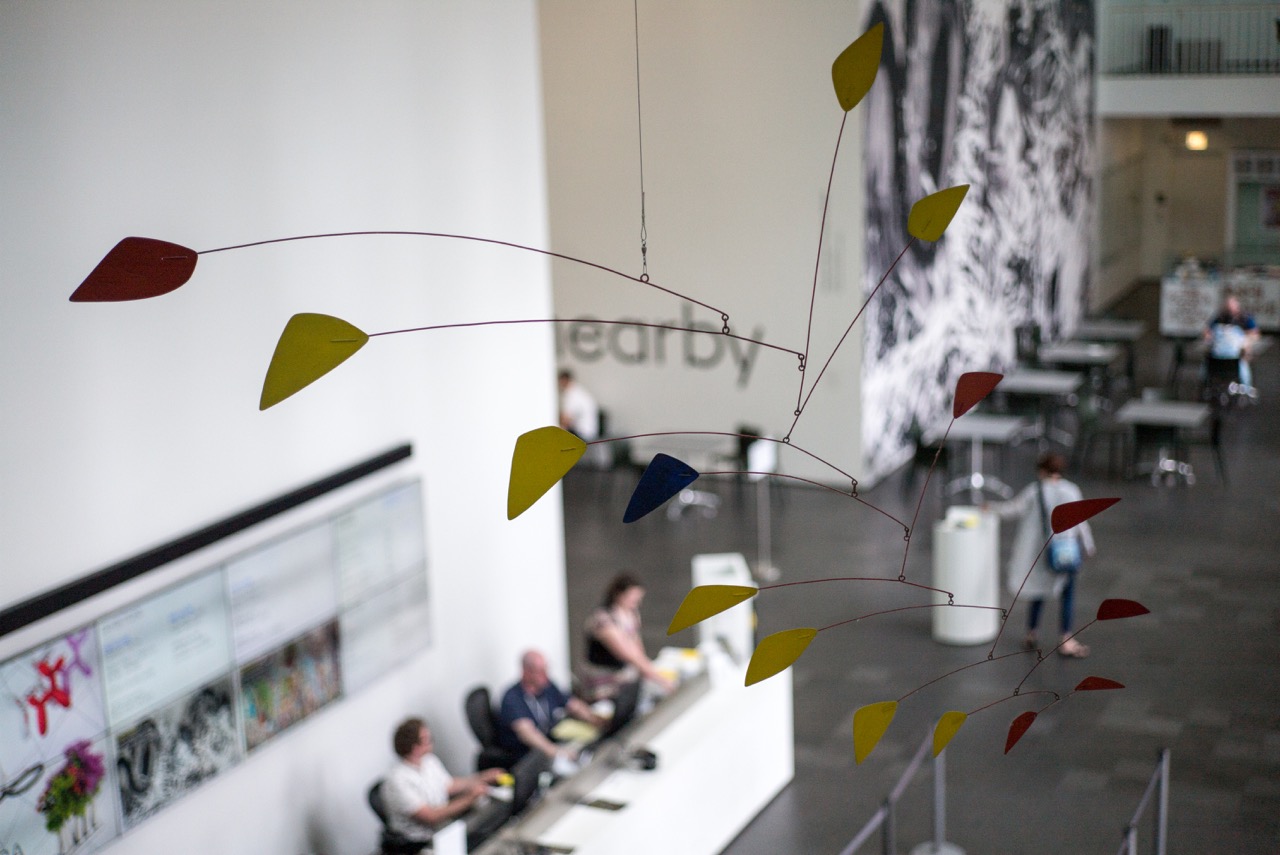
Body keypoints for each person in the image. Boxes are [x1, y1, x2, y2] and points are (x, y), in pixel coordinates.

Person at [985, 452, 1095, 658]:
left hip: (1041, 553)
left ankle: (1031, 633)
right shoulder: (1071, 490)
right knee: (1067, 594)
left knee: (1038, 593)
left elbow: (1012, 510)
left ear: (1042, 471)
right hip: (1065, 553)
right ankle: (1066, 639)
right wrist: (1088, 546)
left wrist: (989, 507)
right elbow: (1082, 521)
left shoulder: (1034, 491)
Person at [380, 717, 505, 847]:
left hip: (444, 827)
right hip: (421, 842)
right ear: (415, 748)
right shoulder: (398, 781)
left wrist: (482, 777)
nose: (432, 741)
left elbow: (448, 785)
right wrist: (470, 798)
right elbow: (431, 817)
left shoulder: (428, 761)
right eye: (428, 739)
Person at [495, 650, 605, 764]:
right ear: (526, 672)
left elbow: (574, 705)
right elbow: (528, 734)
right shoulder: (512, 697)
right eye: (540, 671)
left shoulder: (547, 686)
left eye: (546, 669)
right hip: (528, 755)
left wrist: (597, 721)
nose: (545, 675)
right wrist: (557, 752)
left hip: (551, 740)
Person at [580, 573, 676, 701]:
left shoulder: (631, 614)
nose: (636, 603)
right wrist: (660, 679)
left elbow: (638, 649)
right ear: (619, 594)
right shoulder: (603, 620)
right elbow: (628, 654)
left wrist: (649, 670)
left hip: (625, 675)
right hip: (604, 681)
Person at [1203, 290, 1260, 389]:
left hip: (1235, 352)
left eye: (1232, 306)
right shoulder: (1220, 317)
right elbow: (1208, 330)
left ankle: (1245, 388)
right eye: (1228, 306)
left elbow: (1254, 332)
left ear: (1237, 305)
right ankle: (1206, 386)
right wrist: (1210, 336)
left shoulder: (1245, 317)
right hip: (1219, 353)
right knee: (1206, 363)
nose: (1230, 309)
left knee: (1243, 363)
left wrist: (1242, 338)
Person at [558, 369, 600, 441]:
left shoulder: (571, 394)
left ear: (564, 380)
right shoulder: (579, 391)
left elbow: (566, 420)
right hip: (591, 432)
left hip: (582, 434)